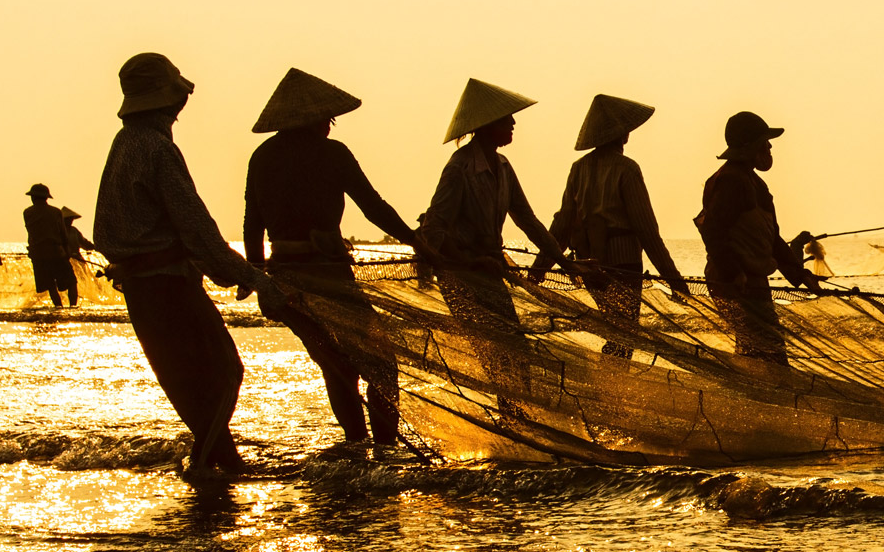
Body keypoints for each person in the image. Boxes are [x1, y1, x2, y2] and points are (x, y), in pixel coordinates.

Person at [93, 52, 277, 486]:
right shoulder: (157, 148)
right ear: (165, 101)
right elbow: (196, 228)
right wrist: (252, 276)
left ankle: (222, 465)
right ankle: (202, 466)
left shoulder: (125, 143)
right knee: (225, 372)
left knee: (189, 384)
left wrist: (223, 268)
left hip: (144, 287)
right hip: (166, 286)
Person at [243, 67, 421, 447]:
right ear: (314, 121)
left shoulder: (262, 157)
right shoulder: (333, 154)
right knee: (382, 365)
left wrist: (259, 281)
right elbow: (374, 207)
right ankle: (383, 447)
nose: (329, 126)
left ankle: (358, 443)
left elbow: (251, 225)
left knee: (337, 367)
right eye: (327, 120)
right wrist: (417, 241)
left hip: (288, 277)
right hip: (328, 275)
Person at [531, 94, 691, 357]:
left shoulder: (578, 169)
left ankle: (609, 385)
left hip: (590, 266)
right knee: (624, 337)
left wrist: (539, 269)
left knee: (614, 332)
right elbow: (647, 232)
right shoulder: (627, 169)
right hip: (623, 266)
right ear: (623, 134)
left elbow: (561, 225)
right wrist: (675, 281)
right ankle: (613, 388)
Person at [420, 78, 572, 336]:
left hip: (489, 270)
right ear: (488, 125)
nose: (513, 123)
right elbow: (434, 229)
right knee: (496, 349)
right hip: (462, 275)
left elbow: (527, 219)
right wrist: (469, 261)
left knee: (512, 350)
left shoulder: (503, 167)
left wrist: (563, 262)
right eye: (506, 119)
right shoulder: (460, 167)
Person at [695, 111, 821, 366]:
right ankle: (768, 402)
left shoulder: (754, 183)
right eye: (765, 141)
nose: (770, 146)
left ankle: (759, 401)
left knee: (759, 351)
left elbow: (772, 239)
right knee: (770, 353)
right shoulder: (730, 181)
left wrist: (801, 275)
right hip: (738, 283)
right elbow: (712, 231)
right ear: (749, 146)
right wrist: (733, 273)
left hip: (752, 281)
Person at [23, 184, 80, 308]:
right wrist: (67, 251)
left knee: (50, 285)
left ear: (33, 197)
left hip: (38, 254)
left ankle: (58, 307)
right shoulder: (55, 212)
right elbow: (62, 234)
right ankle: (73, 307)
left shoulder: (27, 213)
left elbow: (31, 233)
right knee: (71, 282)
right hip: (56, 252)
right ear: (46, 198)